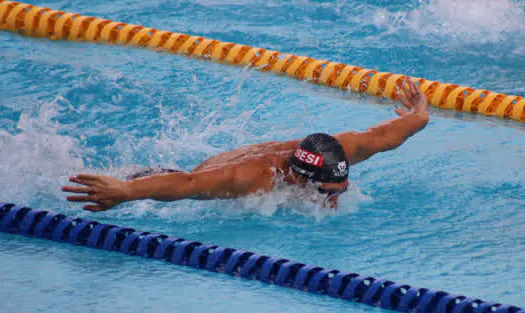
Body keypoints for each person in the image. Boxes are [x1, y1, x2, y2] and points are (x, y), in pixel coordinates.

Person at [62, 79, 429, 211]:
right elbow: (187, 184)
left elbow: (383, 137)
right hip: (173, 177)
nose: (332, 200)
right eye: (326, 192)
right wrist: (126, 191)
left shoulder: (336, 152)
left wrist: (419, 116)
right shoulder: (251, 179)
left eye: (339, 190)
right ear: (299, 177)